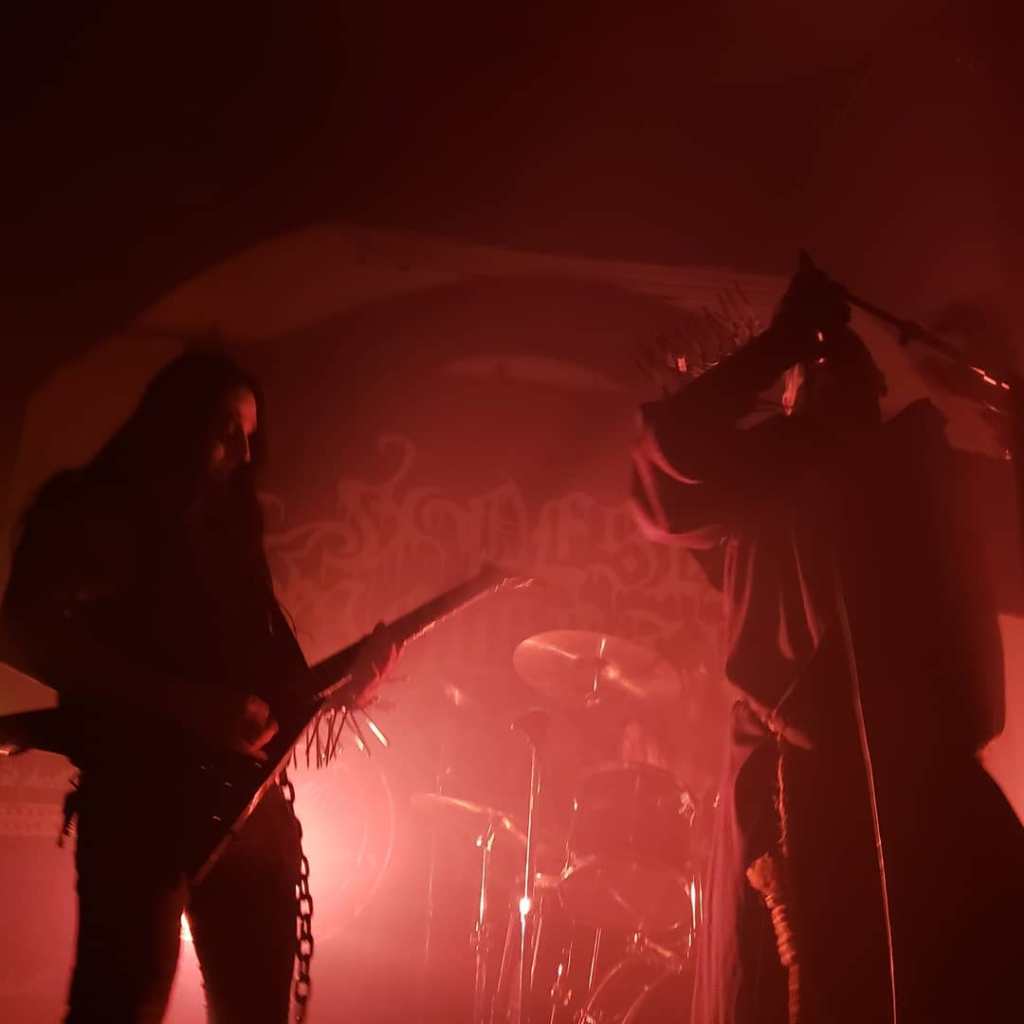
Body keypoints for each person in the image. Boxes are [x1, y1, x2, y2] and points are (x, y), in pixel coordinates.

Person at [630, 262, 1024, 1024]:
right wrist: (781, 342)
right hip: (801, 820)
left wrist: (1003, 401)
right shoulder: (762, 479)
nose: (833, 372)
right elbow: (667, 459)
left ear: (876, 393)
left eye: (850, 368)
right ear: (790, 397)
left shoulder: (930, 478)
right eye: (813, 371)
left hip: (937, 823)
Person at [0, 350, 397, 1023]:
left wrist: (348, 685)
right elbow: (25, 634)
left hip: (249, 814)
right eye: (225, 429)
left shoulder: (229, 535)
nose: (243, 452)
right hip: (138, 811)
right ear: (174, 423)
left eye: (250, 435)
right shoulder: (93, 512)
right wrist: (182, 704)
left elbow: (273, 687)